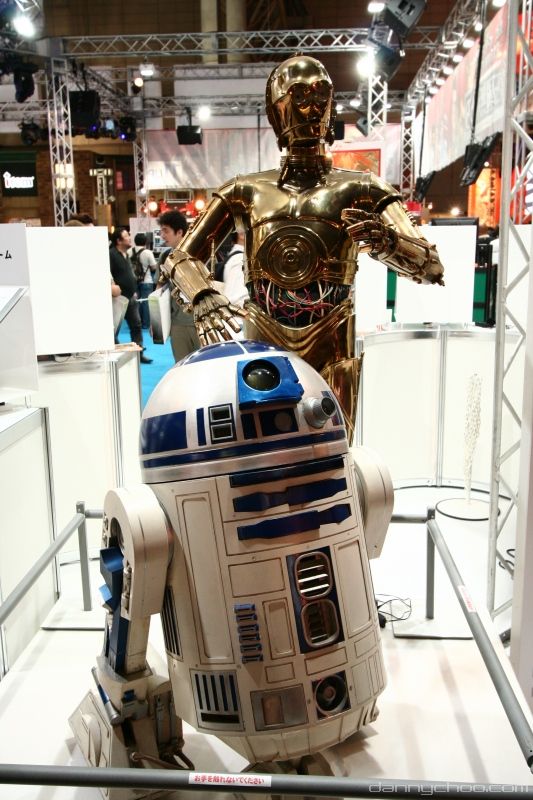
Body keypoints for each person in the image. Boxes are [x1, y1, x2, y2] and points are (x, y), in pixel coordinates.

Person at [158, 55, 444, 441]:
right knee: (265, 446)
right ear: (276, 110)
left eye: (321, 96)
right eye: (299, 96)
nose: (313, 108)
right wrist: (203, 293)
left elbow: (431, 265)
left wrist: (389, 242)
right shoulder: (244, 191)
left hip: (332, 340)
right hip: (264, 337)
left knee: (335, 447)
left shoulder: (362, 188)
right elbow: (179, 256)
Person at [157, 209, 201, 362]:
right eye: (162, 231)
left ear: (180, 232)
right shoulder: (165, 257)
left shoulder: (199, 253)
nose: (162, 235)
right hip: (177, 324)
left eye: (166, 231)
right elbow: (159, 290)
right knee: (182, 365)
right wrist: (157, 321)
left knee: (205, 365)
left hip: (201, 321)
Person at [109, 227, 152, 364]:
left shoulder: (126, 254)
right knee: (114, 329)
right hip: (118, 299)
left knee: (136, 325)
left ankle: (139, 353)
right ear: (119, 240)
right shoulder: (111, 255)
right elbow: (109, 276)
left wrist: (133, 290)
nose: (129, 238)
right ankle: (115, 356)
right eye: (126, 236)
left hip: (130, 297)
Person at [129, 232, 157, 328]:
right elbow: (154, 267)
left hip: (133, 281)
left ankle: (136, 322)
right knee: (146, 302)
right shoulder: (148, 252)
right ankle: (145, 324)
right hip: (146, 280)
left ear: (135, 241)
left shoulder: (129, 251)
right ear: (145, 242)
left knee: (135, 302)